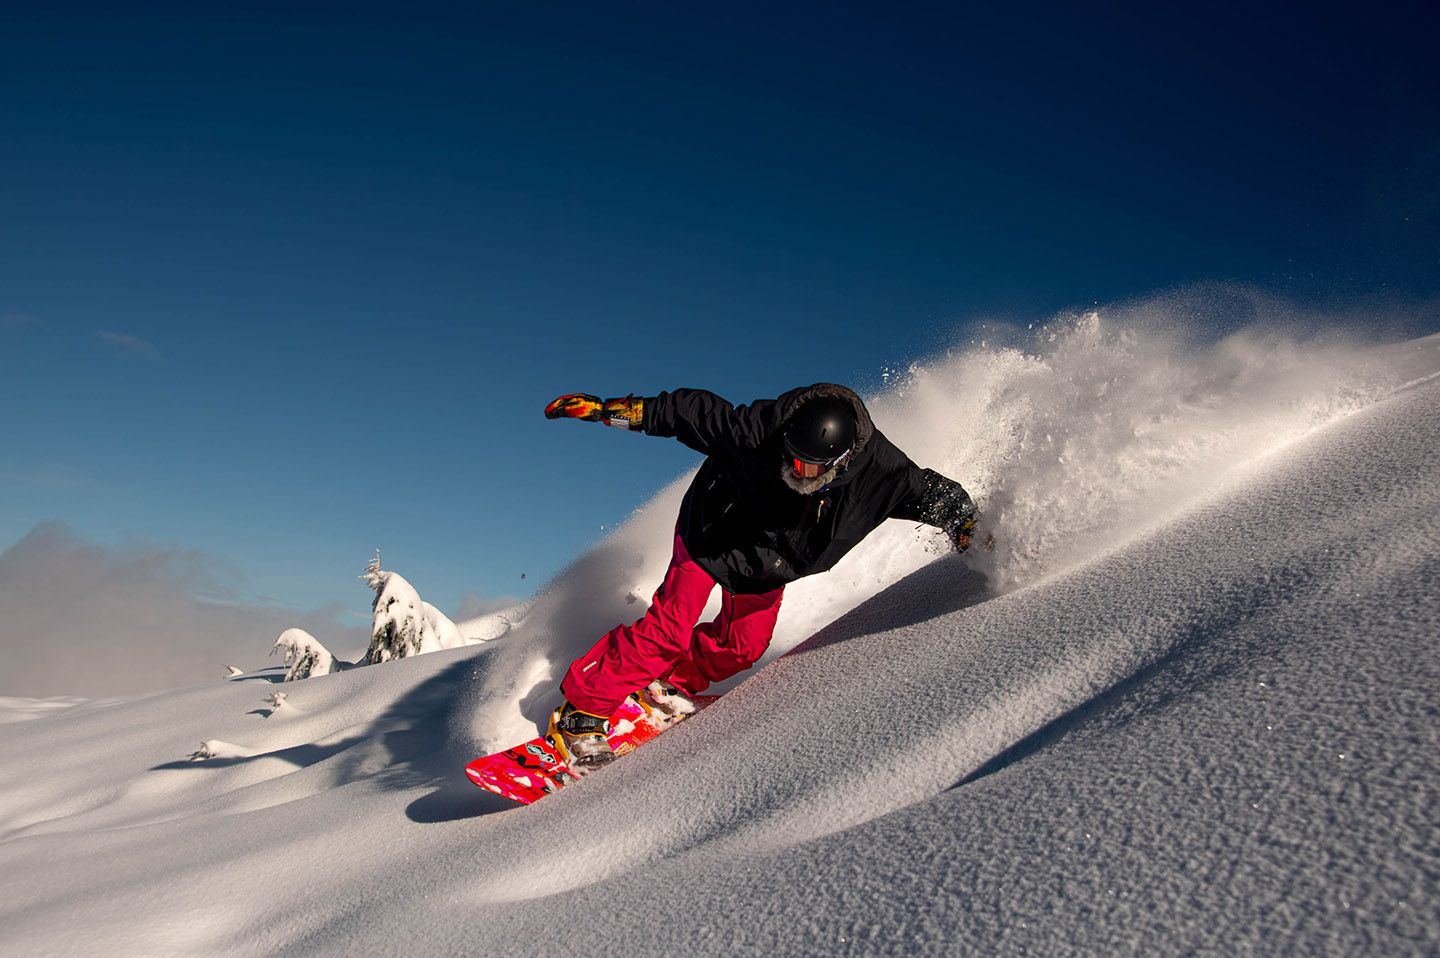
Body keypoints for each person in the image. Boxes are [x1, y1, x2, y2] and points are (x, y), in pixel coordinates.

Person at [542, 383, 979, 769]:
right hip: (711, 534)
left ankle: (669, 684)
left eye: (808, 467)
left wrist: (970, 529)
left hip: (769, 562)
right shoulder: (758, 430)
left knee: (742, 647)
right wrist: (604, 410)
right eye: (790, 455)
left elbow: (935, 494)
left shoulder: (883, 474)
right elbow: (683, 411)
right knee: (667, 631)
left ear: (841, 463)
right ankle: (581, 712)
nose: (792, 469)